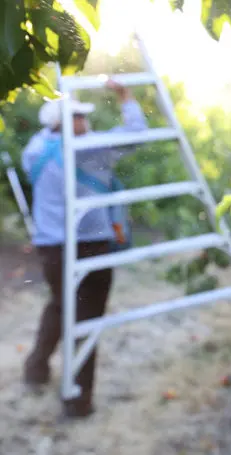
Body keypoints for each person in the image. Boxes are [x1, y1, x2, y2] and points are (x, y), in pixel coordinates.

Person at [20, 80, 148, 418]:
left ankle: (36, 369)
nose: (86, 123)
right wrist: (126, 97)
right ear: (66, 121)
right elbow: (136, 133)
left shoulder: (35, 148)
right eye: (80, 117)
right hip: (88, 247)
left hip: (51, 248)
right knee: (86, 319)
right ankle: (78, 400)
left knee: (61, 306)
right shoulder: (87, 149)